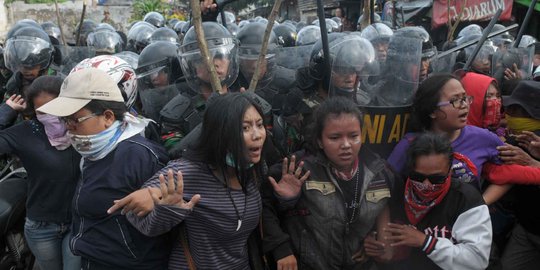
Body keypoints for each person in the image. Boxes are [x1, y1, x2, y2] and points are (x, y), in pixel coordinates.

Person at [108, 93, 291, 269]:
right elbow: (144, 222)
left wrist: (286, 199)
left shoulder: (255, 170)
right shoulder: (189, 171)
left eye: (259, 125)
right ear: (221, 133)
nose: (257, 134)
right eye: (245, 128)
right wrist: (164, 205)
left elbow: (264, 212)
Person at [37, 68, 170, 269]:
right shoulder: (94, 150)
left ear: (108, 116)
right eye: (65, 120)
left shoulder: (138, 156)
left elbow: (170, 213)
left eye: (75, 120)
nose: (68, 128)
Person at [262, 97, 397, 269]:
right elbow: (263, 206)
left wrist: (375, 237)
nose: (346, 145)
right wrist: (281, 247)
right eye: (335, 137)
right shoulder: (298, 168)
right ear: (319, 140)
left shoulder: (380, 173)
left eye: (354, 136)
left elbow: (393, 210)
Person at [387, 74, 540, 205]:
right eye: (455, 100)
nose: (464, 105)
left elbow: (507, 174)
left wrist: (481, 203)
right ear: (432, 111)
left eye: (465, 98)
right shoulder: (409, 145)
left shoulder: (484, 138)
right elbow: (386, 188)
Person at [0, 75, 81, 270]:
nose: (51, 116)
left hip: (78, 224)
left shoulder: (83, 129)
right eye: (43, 111)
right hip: (41, 228)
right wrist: (6, 111)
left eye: (56, 108)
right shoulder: (26, 132)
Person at [382, 132, 492, 270]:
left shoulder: (466, 200)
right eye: (418, 177)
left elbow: (476, 260)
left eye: (436, 179)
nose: (427, 185)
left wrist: (425, 241)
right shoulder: (397, 190)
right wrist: (374, 245)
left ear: (449, 172)